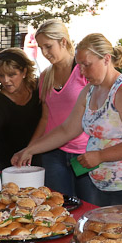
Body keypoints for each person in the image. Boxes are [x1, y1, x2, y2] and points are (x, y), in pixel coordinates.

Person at [12, 33, 122, 206]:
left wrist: (100, 156)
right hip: (103, 185)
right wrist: (30, 150)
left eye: (86, 65)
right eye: (80, 66)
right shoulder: (89, 91)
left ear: (106, 59)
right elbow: (67, 130)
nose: (82, 72)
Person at [31, 19, 101, 204]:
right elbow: (45, 118)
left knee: (90, 208)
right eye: (41, 47)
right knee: (59, 208)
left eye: (48, 46)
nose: (44, 53)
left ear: (63, 41)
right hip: (53, 153)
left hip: (84, 152)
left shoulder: (83, 71)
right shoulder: (45, 76)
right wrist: (30, 149)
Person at [0, 48, 42, 170]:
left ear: (24, 72)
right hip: (11, 164)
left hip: (40, 156)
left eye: (12, 74)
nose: (6, 80)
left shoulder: (39, 89)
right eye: (1, 75)